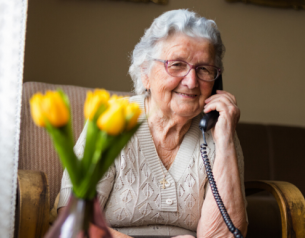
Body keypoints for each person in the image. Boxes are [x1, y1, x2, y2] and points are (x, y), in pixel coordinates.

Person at [57, 9, 248, 238]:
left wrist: (225, 142)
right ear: (145, 73)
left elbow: (224, 236)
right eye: (177, 64)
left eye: (204, 69)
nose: (191, 81)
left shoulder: (218, 130)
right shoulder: (111, 121)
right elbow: (75, 226)